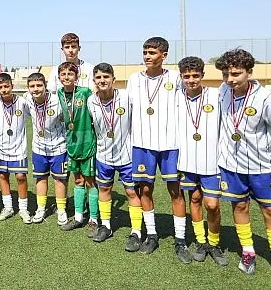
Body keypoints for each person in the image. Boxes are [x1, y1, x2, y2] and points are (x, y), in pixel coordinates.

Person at [214, 49, 271, 286]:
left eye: (236, 73)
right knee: (239, 205)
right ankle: (247, 251)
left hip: (262, 166)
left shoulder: (265, 97)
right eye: (226, 74)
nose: (230, 79)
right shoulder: (223, 91)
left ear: (249, 72)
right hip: (231, 164)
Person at [126, 36, 189, 259]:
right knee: (144, 189)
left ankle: (180, 240)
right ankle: (151, 234)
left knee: (176, 191)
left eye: (152, 53)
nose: (147, 56)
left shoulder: (175, 78)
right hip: (142, 144)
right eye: (145, 52)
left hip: (171, 144)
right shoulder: (134, 79)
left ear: (164, 55)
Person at [173, 57, 229, 266]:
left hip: (211, 161)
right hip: (186, 161)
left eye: (195, 75)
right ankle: (200, 241)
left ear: (203, 75)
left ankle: (214, 243)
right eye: (186, 76)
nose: (191, 80)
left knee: (212, 205)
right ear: (181, 77)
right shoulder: (176, 97)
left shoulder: (216, 95)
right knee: (194, 199)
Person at [87, 63, 142, 250]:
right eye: (99, 77)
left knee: (132, 192)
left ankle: (136, 231)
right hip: (103, 155)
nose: (102, 80)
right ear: (94, 80)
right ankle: (106, 226)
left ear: (113, 79)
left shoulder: (127, 98)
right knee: (104, 190)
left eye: (106, 77)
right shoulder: (90, 101)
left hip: (127, 155)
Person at [56, 62, 98, 237]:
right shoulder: (58, 94)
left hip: (87, 143)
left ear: (77, 76)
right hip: (72, 145)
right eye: (63, 74)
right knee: (78, 180)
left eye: (70, 74)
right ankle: (79, 216)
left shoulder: (85, 92)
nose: (66, 77)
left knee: (90, 181)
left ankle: (94, 219)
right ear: (59, 77)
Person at [23, 73, 69, 225]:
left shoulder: (57, 100)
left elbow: (66, 118)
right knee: (40, 178)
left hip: (58, 147)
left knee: (60, 179)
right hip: (39, 148)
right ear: (28, 88)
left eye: (39, 85)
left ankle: (61, 209)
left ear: (45, 86)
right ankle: (40, 208)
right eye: (32, 86)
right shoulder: (27, 99)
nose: (35, 89)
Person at [0, 73, 31, 223]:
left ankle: (23, 209)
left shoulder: (22, 102)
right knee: (3, 176)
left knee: (20, 177)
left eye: (6, 86)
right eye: (0, 87)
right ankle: (7, 207)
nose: (4, 90)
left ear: (12, 86)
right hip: (2, 147)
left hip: (19, 147)